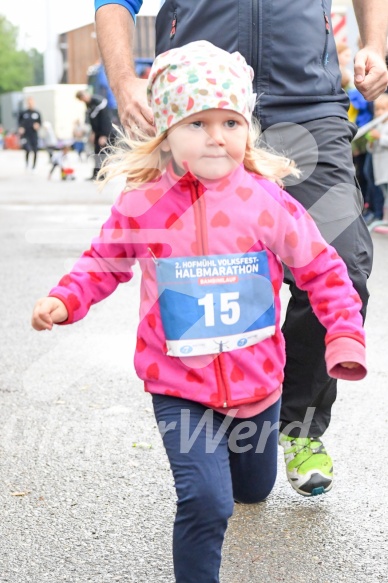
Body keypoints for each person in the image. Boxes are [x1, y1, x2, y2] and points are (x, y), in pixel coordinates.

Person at [31, 43, 367, 582]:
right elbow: (103, 261)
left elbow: (323, 270)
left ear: (247, 130)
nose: (216, 136)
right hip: (178, 385)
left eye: (231, 121)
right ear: (166, 134)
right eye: (197, 123)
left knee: (251, 487)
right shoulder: (144, 203)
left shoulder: (267, 201)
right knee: (208, 503)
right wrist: (65, 298)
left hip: (259, 384)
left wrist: (344, 334)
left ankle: (255, 462)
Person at [93, 0, 388, 497]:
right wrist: (123, 80)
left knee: (342, 264)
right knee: (207, 267)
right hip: (203, 100)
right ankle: (214, 425)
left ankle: (299, 428)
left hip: (307, 108)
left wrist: (375, 46)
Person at [75, 90, 113, 180]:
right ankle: (96, 174)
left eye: (83, 97)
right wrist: (93, 133)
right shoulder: (89, 105)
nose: (84, 99)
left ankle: (102, 175)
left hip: (104, 132)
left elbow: (105, 119)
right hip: (97, 132)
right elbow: (92, 121)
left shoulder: (99, 102)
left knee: (102, 154)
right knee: (96, 153)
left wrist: (104, 135)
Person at [365, 93, 388, 233]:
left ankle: (385, 219)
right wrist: (371, 143)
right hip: (379, 167)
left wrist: (380, 137)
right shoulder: (377, 125)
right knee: (385, 193)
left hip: (386, 166)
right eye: (377, 110)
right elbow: (371, 149)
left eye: (382, 109)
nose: (379, 113)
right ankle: (385, 219)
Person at [18, 96, 42, 171]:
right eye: (29, 102)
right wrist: (20, 128)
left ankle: (34, 167)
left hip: (34, 135)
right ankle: (27, 164)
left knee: (35, 150)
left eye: (31, 102)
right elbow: (19, 122)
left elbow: (40, 122)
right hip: (26, 135)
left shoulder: (37, 113)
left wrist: (37, 126)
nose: (30, 104)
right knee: (27, 149)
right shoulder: (24, 113)